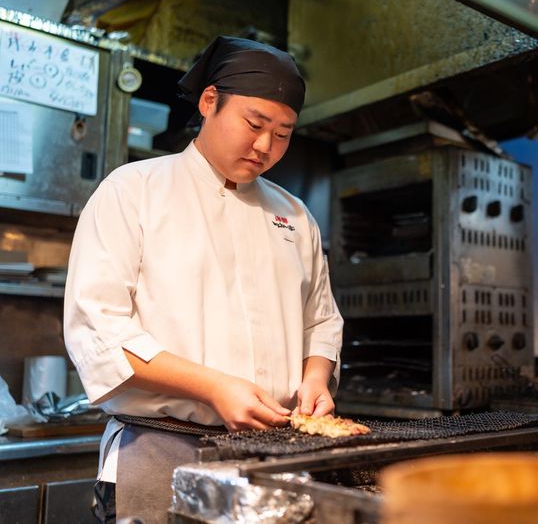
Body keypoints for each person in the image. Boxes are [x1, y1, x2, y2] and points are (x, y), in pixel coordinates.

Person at [63, 36, 343, 523]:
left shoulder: (295, 215)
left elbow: (320, 321)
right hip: (162, 451)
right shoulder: (134, 190)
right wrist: (213, 387)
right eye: (254, 124)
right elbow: (99, 330)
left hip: (275, 461)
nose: (265, 146)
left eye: (282, 134)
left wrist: (315, 378)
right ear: (210, 101)